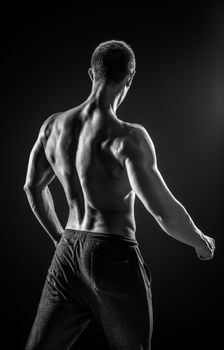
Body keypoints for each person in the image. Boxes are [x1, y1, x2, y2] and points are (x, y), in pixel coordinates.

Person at [23, 40, 215, 350]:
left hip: (67, 252)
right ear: (129, 78)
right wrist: (199, 241)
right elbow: (163, 211)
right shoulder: (127, 138)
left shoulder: (53, 127)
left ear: (92, 74)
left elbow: (32, 187)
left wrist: (59, 238)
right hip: (112, 255)